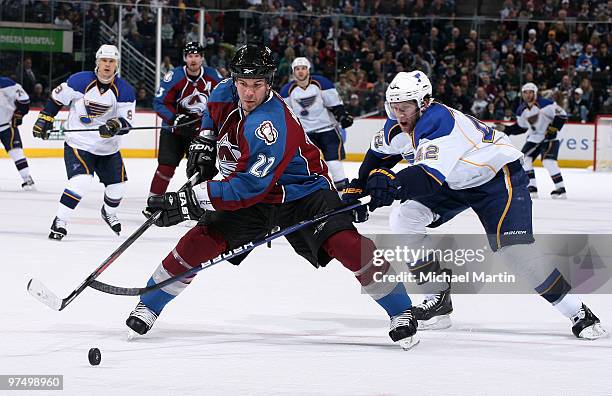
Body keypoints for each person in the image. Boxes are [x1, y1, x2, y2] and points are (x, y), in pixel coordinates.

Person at [125, 45, 419, 350]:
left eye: (258, 85)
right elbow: (212, 121)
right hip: (257, 194)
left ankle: (401, 311)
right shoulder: (224, 91)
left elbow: (247, 188)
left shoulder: (269, 124)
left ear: (270, 83)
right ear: (234, 79)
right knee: (197, 243)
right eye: (243, 84)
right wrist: (205, 142)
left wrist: (190, 200)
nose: (249, 93)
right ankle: (149, 305)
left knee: (347, 245)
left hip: (302, 192)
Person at [342, 71, 606, 339]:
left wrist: (390, 186)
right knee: (404, 218)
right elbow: (377, 157)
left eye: (406, 107)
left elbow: (427, 179)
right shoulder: (397, 125)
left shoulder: (438, 121)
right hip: (455, 181)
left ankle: (578, 311)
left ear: (424, 103)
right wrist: (357, 188)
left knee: (514, 251)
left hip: (497, 178)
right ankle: (438, 300)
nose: (399, 114)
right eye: (394, 107)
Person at [32, 44, 136, 240]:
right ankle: (60, 221)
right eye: (104, 60)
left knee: (117, 189)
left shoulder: (125, 90)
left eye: (111, 61)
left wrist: (115, 125)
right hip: (79, 144)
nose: (107, 65)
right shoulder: (79, 81)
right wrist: (46, 117)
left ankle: (109, 212)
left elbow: (127, 122)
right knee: (81, 181)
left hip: (108, 149)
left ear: (117, 65)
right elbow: (56, 99)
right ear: (97, 62)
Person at [145, 42, 223, 216]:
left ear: (202, 58)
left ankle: (200, 207)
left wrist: (208, 122)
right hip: (173, 131)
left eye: (196, 55)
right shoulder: (174, 76)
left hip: (199, 133)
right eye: (190, 55)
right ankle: (152, 204)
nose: (193, 59)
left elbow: (222, 101)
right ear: (184, 58)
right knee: (165, 167)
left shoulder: (213, 77)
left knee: (200, 170)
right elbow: (159, 102)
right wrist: (175, 118)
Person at [280, 57, 354, 190]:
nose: (300, 71)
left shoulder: (322, 83)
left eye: (303, 68)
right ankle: (311, 192)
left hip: (327, 130)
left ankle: (343, 192)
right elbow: (285, 115)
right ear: (293, 72)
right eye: (297, 69)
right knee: (306, 165)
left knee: (333, 163)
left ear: (308, 70)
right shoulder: (287, 90)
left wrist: (343, 116)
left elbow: (335, 105)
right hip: (304, 135)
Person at [495, 83, 568, 199]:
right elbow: (521, 128)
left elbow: (562, 115)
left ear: (535, 93)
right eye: (525, 92)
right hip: (534, 138)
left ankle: (561, 188)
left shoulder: (545, 104)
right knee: (525, 159)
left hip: (551, 138)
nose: (528, 95)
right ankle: (532, 187)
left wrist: (553, 129)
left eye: (530, 92)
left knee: (548, 161)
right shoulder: (521, 110)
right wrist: (507, 129)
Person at [0, 76, 35, 189]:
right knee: (17, 152)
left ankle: (27, 179)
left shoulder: (6, 84)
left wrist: (19, 114)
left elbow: (24, 100)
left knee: (16, 152)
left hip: (6, 125)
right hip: (6, 124)